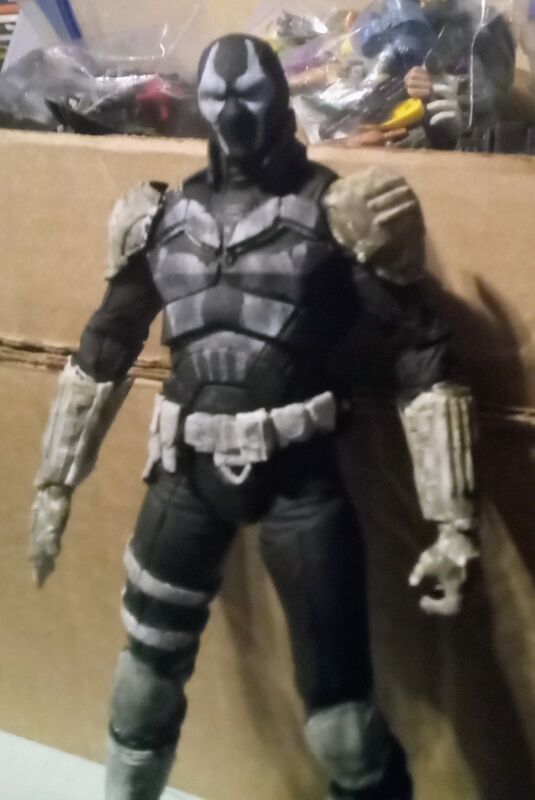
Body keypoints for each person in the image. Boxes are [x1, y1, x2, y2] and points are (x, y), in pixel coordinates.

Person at [30, 33, 477, 800]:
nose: (235, 116)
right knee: (141, 687)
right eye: (219, 99)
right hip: (185, 473)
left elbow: (420, 349)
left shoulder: (341, 212)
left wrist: (451, 519)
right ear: (201, 107)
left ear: (278, 100)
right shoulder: (159, 216)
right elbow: (105, 343)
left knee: (342, 727)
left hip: (300, 478)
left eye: (249, 97)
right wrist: (54, 483)